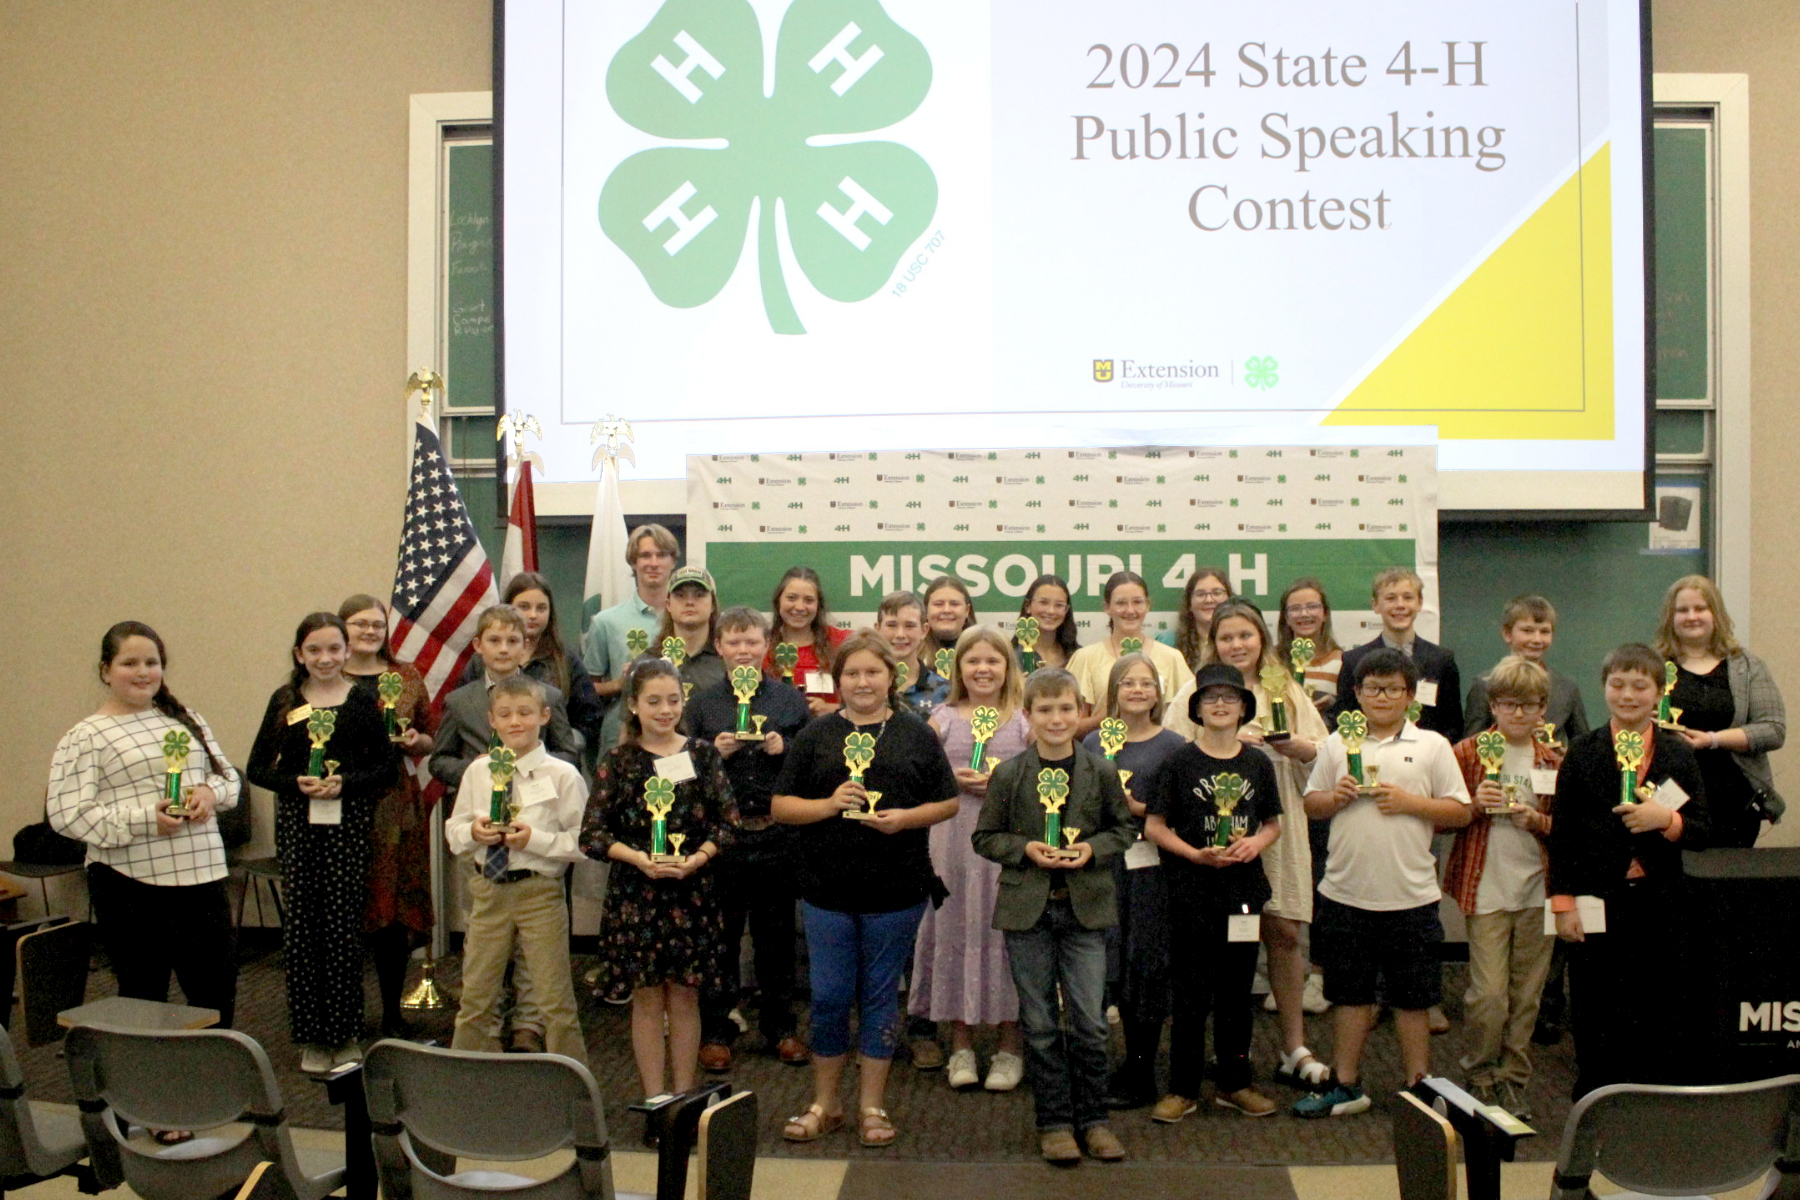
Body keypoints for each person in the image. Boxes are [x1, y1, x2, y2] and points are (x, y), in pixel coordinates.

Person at [772, 633, 960, 1148]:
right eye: (851, 673)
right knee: (830, 997)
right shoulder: (815, 736)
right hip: (826, 889)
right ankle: (824, 1104)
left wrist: (905, 819)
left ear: (890, 678)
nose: (862, 682)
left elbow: (947, 804)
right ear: (838, 680)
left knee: (880, 997)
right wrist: (830, 804)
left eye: (872, 673)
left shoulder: (918, 734)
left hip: (896, 889)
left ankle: (871, 1107)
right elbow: (782, 807)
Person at [1299, 648, 1471, 1117]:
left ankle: (1419, 1085)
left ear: (1410, 696)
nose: (1382, 696)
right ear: (1356, 693)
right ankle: (1347, 1084)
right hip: (1344, 893)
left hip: (1411, 897)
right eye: (1372, 688)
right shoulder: (1338, 742)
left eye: (1393, 688)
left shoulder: (1433, 746)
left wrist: (1412, 803)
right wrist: (1335, 797)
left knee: (1412, 999)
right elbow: (1311, 803)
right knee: (1349, 995)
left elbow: (1460, 811)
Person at [1165, 601, 1330, 1089]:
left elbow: (1325, 756)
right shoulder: (1195, 692)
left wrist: (1289, 746)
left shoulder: (1285, 689)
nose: (1237, 645)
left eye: (1246, 636)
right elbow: (1174, 755)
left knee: (1281, 932)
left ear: (1263, 639)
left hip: (1274, 828)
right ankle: (1214, 1054)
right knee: (1212, 950)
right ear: (1212, 643)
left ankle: (1292, 1045)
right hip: (1211, 845)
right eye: (1226, 638)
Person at [973, 668, 1135, 1164]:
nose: (1056, 718)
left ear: (1081, 713)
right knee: (1040, 1025)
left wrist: (1090, 849)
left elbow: (1124, 829)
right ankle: (1055, 1123)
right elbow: (985, 837)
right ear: (1027, 716)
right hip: (1029, 913)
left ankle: (1094, 1120)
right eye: (1044, 710)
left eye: (1066, 708)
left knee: (1090, 1023)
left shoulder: (1102, 772)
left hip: (1085, 911)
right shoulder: (1008, 773)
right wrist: (1025, 849)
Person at [48, 622, 242, 1034]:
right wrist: (144, 820)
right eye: (129, 663)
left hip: (202, 878)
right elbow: (65, 814)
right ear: (105, 671)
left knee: (216, 994)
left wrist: (210, 793)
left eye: (151, 663)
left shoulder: (187, 719)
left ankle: (212, 1088)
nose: (142, 672)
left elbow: (229, 781)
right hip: (130, 885)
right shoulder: (87, 736)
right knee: (143, 995)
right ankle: (144, 1092)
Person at [1548, 643, 1710, 1099]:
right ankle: (1597, 1091)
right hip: (1595, 898)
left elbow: (1703, 829)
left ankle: (1653, 1091)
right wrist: (1562, 905)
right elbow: (1563, 835)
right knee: (1595, 999)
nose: (1628, 694)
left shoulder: (1678, 755)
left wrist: (1668, 822)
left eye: (1640, 685)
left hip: (1660, 900)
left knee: (1657, 995)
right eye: (1618, 684)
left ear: (1659, 692)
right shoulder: (1582, 751)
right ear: (1604, 689)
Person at [247, 612, 397, 1073]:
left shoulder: (361, 703)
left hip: (347, 827)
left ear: (347, 652)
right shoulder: (285, 701)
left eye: (334, 649)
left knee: (340, 929)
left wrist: (345, 784)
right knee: (302, 932)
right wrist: (297, 783)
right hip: (299, 825)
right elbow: (257, 769)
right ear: (299, 655)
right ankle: (311, 1035)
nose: (325, 658)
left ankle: (345, 1032)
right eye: (314, 650)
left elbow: (386, 769)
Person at [583, 658, 738, 1101]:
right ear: (633, 705)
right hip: (638, 895)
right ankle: (656, 1101)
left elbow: (727, 825)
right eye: (653, 701)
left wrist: (697, 859)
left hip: (693, 893)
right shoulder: (619, 761)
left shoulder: (703, 755)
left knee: (686, 999)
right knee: (648, 999)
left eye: (673, 700)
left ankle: (685, 1100)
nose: (665, 709)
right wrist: (636, 858)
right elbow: (592, 834)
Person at [1144, 662, 1283, 1120]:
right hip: (1190, 892)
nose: (1220, 705)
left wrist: (1255, 843)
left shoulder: (1257, 763)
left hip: (1242, 893)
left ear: (1244, 708)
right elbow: (1154, 826)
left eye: (1230, 698)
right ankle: (1182, 1088)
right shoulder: (1179, 762)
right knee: (1189, 995)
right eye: (1210, 698)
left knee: (1236, 992)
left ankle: (1234, 1083)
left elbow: (1272, 824)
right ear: (1197, 709)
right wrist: (1192, 853)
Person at [687, 607, 813, 1073]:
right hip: (722, 840)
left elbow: (811, 763)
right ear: (718, 646)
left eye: (752, 643)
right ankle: (717, 1031)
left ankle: (780, 1027)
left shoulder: (787, 700)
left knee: (776, 938)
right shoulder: (701, 704)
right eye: (734, 643)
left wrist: (788, 748)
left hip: (776, 835)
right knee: (719, 940)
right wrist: (708, 754)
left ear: (767, 646)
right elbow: (677, 767)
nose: (743, 651)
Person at [445, 676, 589, 1062]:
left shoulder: (562, 776)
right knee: (476, 993)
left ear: (544, 715)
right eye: (505, 714)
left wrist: (536, 841)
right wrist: (474, 831)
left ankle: (572, 1088)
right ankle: (463, 1077)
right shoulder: (478, 772)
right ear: (492, 720)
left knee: (554, 998)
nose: (515, 722)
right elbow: (454, 830)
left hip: (537, 891)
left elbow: (585, 841)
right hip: (488, 889)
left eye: (525, 713)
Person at [1443, 656, 1562, 1121]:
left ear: (1543, 709)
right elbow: (1442, 817)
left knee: (1527, 994)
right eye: (1509, 704)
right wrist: (1474, 806)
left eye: (1528, 705)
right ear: (1493, 704)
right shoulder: (1467, 754)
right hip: (1485, 887)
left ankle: (1514, 1079)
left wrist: (1537, 821)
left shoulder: (1553, 759)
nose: (1518, 714)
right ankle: (1479, 1073)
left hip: (1538, 889)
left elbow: (1567, 829)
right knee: (1489, 994)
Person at [911, 626, 1030, 1091]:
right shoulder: (942, 717)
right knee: (955, 930)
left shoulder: (1023, 720)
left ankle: (1009, 1047)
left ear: (1008, 668)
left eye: (992, 661)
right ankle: (959, 1044)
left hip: (1005, 850)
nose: (983, 670)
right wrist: (948, 780)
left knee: (1006, 938)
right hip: (951, 847)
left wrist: (1003, 785)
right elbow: (917, 772)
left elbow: (1047, 779)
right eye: (973, 661)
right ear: (958, 668)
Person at [1080, 653, 1185, 1110]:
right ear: (1114, 692)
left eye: (1146, 683)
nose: (1138, 690)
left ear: (1159, 693)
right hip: (1100, 866)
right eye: (1128, 683)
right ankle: (1094, 1066)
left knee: (1146, 965)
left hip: (1152, 872)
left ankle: (1141, 1069)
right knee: (1102, 960)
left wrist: (1137, 808)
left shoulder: (1175, 746)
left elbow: (1184, 812)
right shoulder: (1091, 742)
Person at [339, 594, 438, 1038]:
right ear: (342, 627)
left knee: (393, 909)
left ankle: (393, 1012)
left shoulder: (406, 676)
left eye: (377, 625)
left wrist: (416, 740)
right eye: (360, 624)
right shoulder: (327, 676)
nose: (369, 632)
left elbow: (430, 736)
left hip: (394, 806)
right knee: (345, 907)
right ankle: (345, 1011)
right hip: (338, 803)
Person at [1653, 574, 1786, 847]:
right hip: (1669, 800)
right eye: (1682, 610)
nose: (1692, 616)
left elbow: (1773, 729)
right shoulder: (1653, 665)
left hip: (1735, 801)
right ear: (1670, 617)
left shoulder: (1748, 666)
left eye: (1701, 608)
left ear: (1716, 614)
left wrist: (1712, 740)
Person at [430, 605, 581, 793]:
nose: (503, 649)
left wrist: (535, 762)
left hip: (535, 795)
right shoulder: (458, 702)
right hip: (479, 799)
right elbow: (439, 761)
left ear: (525, 645)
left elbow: (568, 754)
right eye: (494, 640)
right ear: (478, 645)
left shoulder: (549, 696)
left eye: (512, 641)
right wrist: (474, 769)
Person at [581, 523, 679, 750]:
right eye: (645, 555)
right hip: (624, 728)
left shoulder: (686, 619)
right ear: (633, 563)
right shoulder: (606, 622)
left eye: (661, 555)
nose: (653, 563)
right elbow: (585, 688)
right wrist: (619, 684)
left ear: (673, 562)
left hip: (677, 726)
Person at [1336, 568, 1464, 740]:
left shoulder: (1441, 661)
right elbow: (1345, 720)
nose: (1400, 605)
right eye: (1391, 598)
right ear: (1375, 605)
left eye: (1408, 597)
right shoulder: (1354, 661)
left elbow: (1453, 724)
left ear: (1419, 603)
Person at [1067, 571, 1194, 736]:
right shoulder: (1085, 658)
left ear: (1148, 605)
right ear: (1107, 607)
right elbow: (1069, 726)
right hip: (1101, 754)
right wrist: (1108, 715)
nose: (1130, 610)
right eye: (1120, 603)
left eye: (1137, 602)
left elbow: (1190, 720)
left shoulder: (1172, 658)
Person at [491, 572, 603, 752]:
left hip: (551, 761)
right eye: (524, 607)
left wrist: (566, 743)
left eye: (541, 608)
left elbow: (590, 717)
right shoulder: (487, 658)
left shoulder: (565, 659)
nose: (533, 615)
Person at [1462, 595, 1590, 744]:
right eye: (1528, 631)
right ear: (1507, 634)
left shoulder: (1567, 688)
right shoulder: (1485, 684)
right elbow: (1470, 743)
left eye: (1544, 632)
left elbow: (1583, 746)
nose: (1537, 639)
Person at [766, 566, 849, 717]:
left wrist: (833, 709)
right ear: (778, 600)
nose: (799, 607)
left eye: (809, 600)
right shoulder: (762, 645)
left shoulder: (842, 642)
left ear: (818, 605)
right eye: (791, 598)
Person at [649, 565, 728, 700]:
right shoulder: (648, 661)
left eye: (699, 595)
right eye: (680, 595)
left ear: (713, 605)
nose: (690, 602)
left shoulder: (729, 661)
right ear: (668, 604)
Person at [875, 590, 949, 720]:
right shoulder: (867, 686)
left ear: (924, 630)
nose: (900, 634)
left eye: (909, 626)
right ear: (878, 629)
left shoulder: (945, 691)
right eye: (892, 625)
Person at [1277, 577, 1345, 716]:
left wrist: (1333, 703)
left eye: (1312, 606)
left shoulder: (1343, 661)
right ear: (1287, 618)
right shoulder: (1272, 660)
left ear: (1325, 614)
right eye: (1295, 609)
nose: (1304, 614)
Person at [1160, 566, 1231, 671]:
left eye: (1217, 593)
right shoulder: (1169, 643)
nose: (1209, 600)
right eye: (1200, 594)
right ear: (1189, 604)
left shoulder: (1239, 641)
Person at [1015, 574, 1079, 669]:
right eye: (1043, 603)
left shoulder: (1078, 656)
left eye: (1059, 605)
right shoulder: (1011, 657)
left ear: (1066, 610)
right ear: (1028, 606)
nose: (1051, 611)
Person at [922, 575, 977, 660]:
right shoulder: (913, 653)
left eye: (954, 604)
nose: (946, 610)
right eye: (938, 604)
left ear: (967, 610)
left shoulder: (982, 650)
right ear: (926, 610)